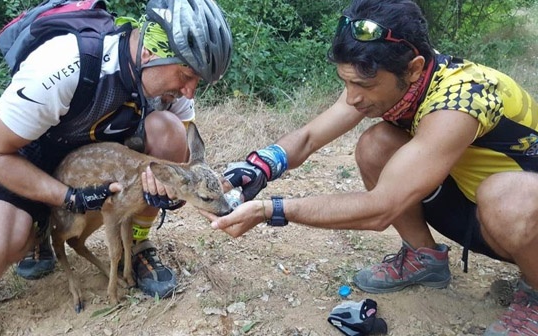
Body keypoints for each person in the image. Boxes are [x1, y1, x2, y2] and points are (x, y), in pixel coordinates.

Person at [202, 0, 538, 334]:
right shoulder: (397, 80)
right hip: (477, 210)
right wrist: (254, 168)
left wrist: (268, 210)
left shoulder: (461, 99)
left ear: (415, 68)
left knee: (507, 196)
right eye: (346, 82)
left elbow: (379, 210)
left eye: (362, 86)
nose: (351, 98)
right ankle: (424, 259)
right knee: (376, 144)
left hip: (520, 218)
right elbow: (307, 138)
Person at [0, 0, 232, 300]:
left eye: (197, 82)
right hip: (33, 159)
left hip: (97, 161)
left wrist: (190, 198)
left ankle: (136, 246)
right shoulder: (65, 64)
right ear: (150, 54)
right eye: (186, 75)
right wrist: (69, 198)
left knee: (170, 131)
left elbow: (186, 167)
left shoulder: (170, 87)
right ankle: (41, 227)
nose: (189, 91)